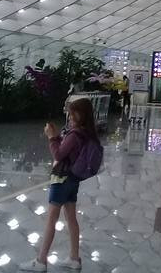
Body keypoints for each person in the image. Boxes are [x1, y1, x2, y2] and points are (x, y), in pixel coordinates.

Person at [20, 98, 97, 271]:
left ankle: (40, 261)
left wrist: (51, 138)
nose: (69, 116)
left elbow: (59, 155)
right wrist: (58, 136)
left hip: (61, 179)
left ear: (81, 115)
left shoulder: (75, 134)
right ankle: (74, 258)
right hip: (73, 180)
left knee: (51, 220)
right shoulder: (86, 133)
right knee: (71, 218)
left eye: (73, 113)